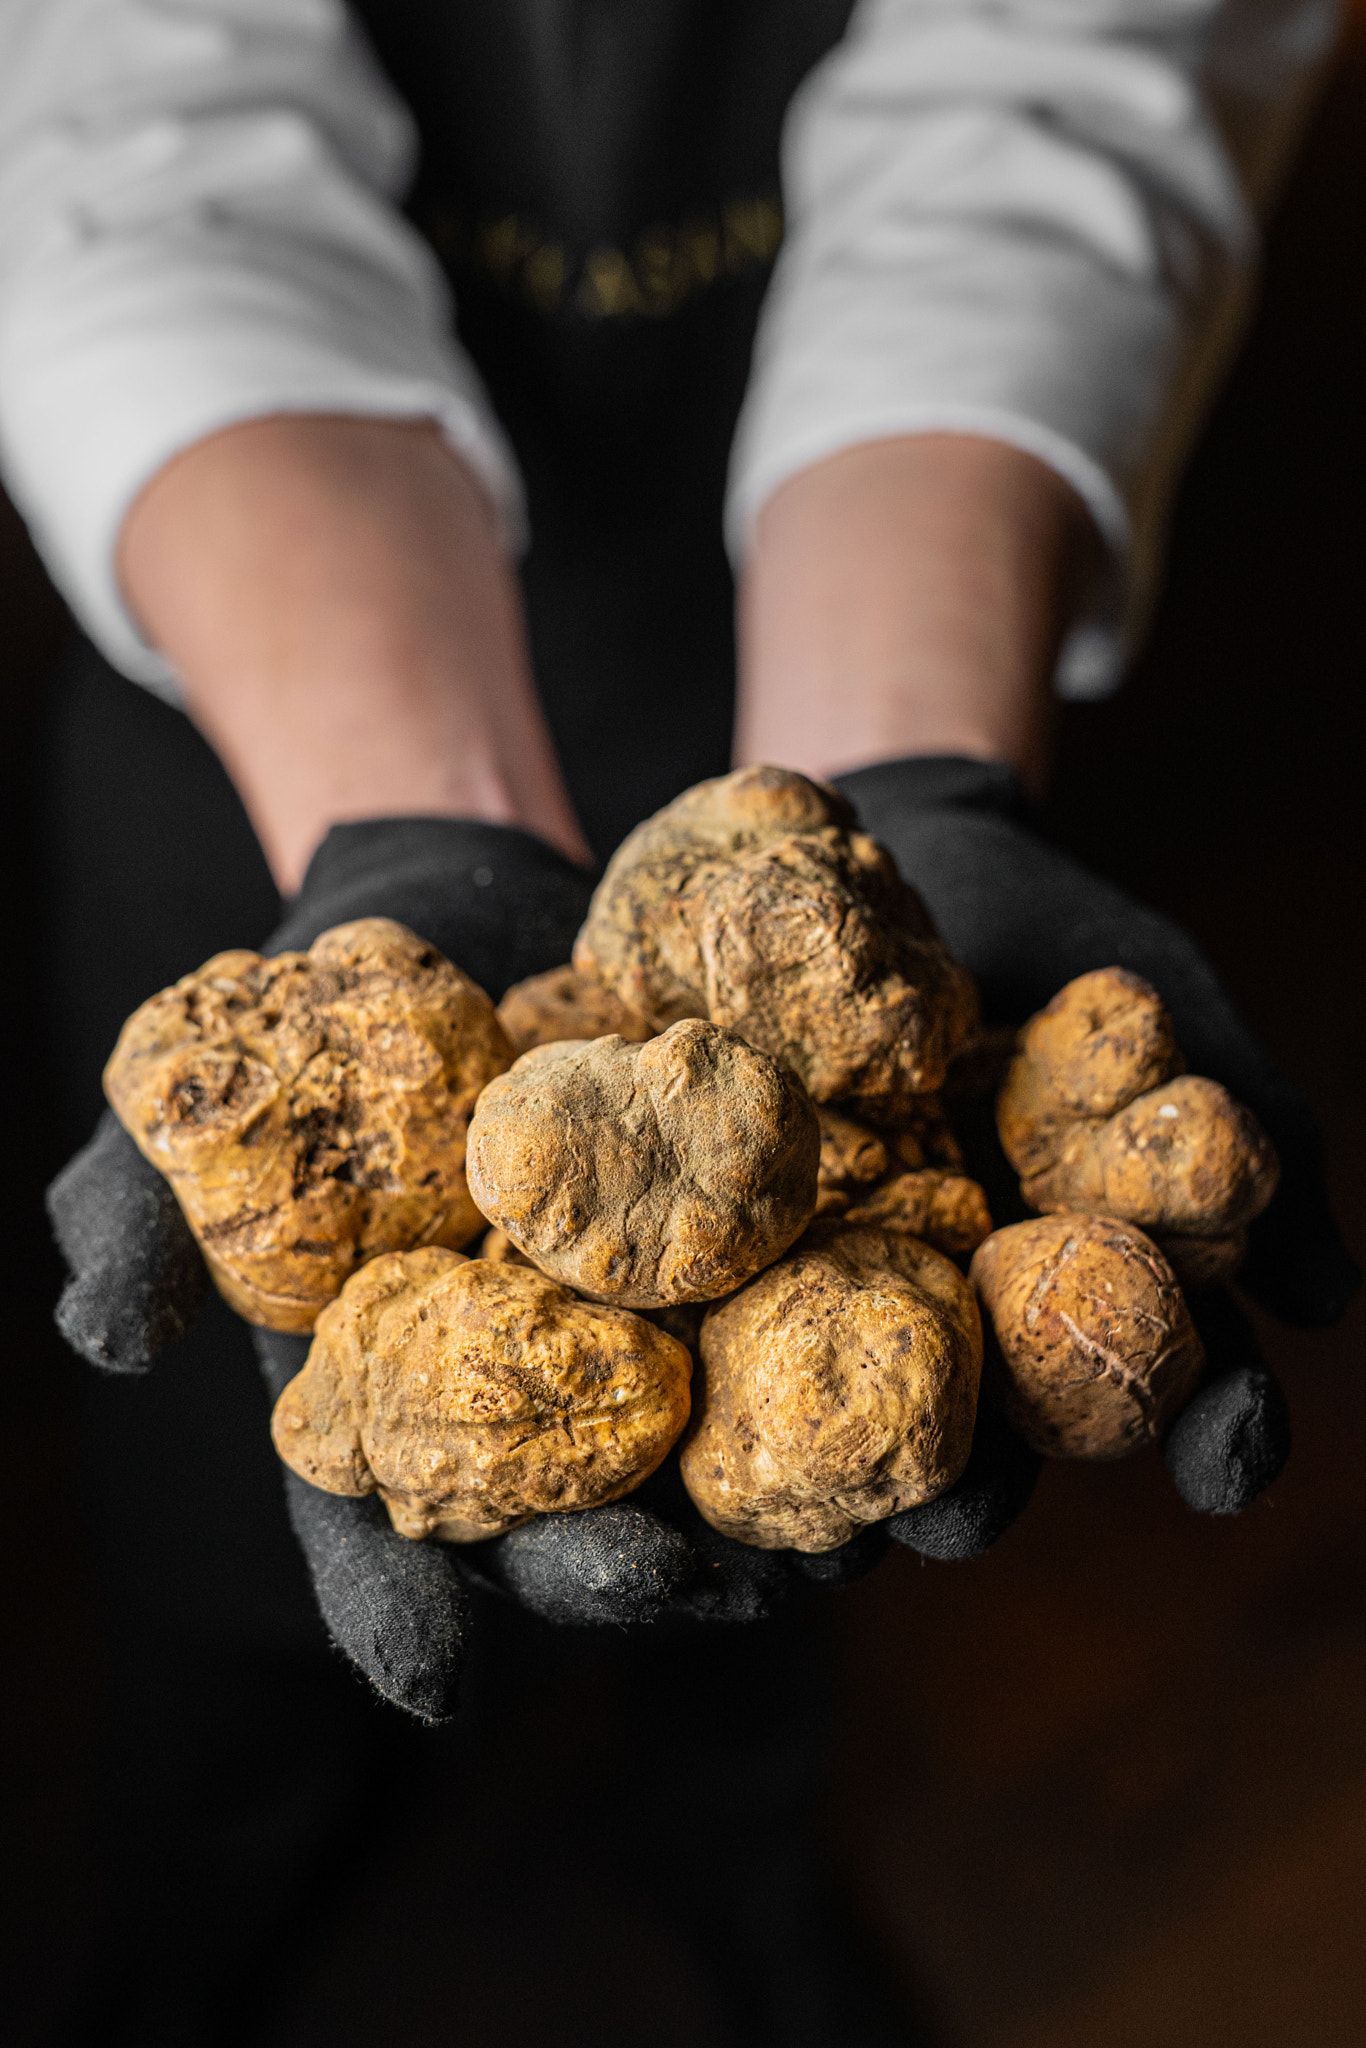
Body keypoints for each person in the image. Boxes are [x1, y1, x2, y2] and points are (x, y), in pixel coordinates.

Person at [0, 2, 1357, 2042]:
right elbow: (118, 113)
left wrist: (912, 763)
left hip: (817, 594)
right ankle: (212, 1883)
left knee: (757, 1585)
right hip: (263, 617)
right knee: (221, 1536)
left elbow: (1043, 80)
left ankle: (733, 1857)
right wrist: (397, 815)